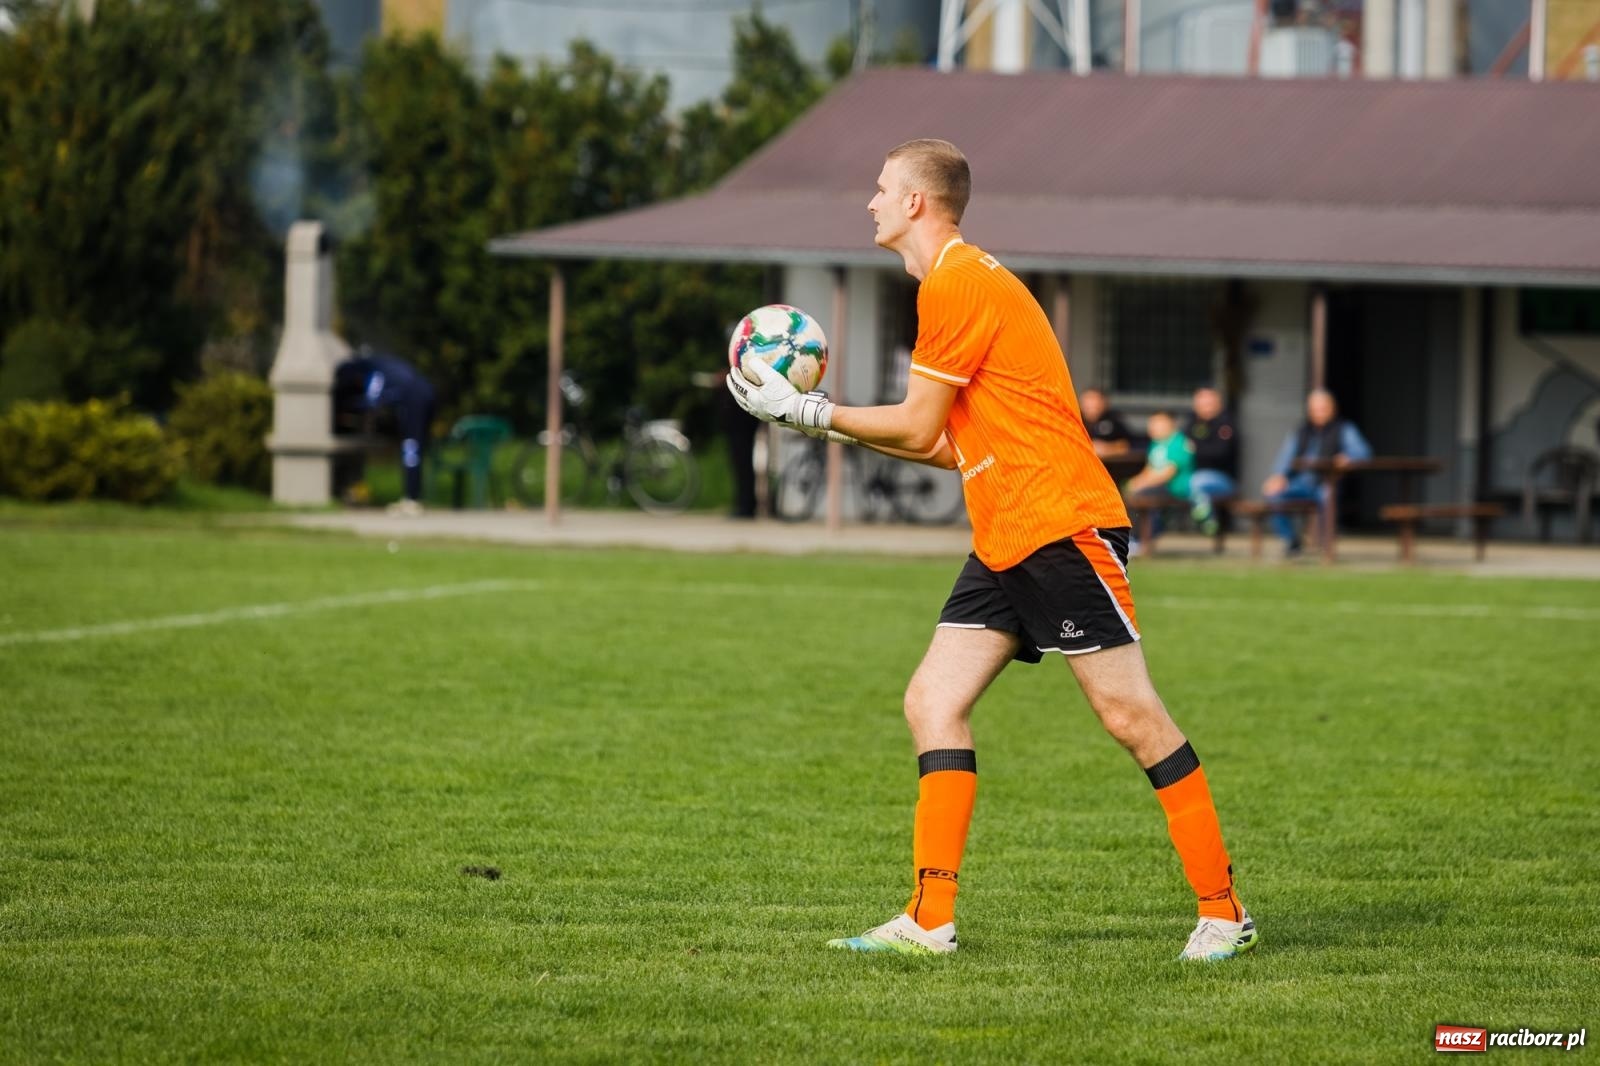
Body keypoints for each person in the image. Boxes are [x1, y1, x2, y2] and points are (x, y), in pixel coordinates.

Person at [728, 139, 1255, 962]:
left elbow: (912, 425)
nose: (868, 202)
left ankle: (1225, 911)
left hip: (1062, 525)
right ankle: (930, 918)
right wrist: (813, 417)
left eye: (879, 189)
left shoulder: (959, 283)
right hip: (1008, 530)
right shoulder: (953, 284)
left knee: (1129, 715)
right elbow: (939, 443)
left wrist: (811, 414)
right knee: (932, 701)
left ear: (915, 204)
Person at [1261, 389, 1372, 556]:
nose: (1319, 413)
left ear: (1332, 408)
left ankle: (1325, 544)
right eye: (1315, 409)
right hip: (1301, 482)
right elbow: (1286, 456)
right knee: (1273, 493)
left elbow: (1363, 452)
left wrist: (1348, 457)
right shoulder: (1301, 431)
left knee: (1326, 495)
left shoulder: (1343, 428)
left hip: (1327, 481)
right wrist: (1279, 476)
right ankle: (1291, 541)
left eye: (1323, 408)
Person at [335, 348, 436, 516]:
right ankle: (413, 497)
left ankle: (412, 500)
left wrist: (351, 407)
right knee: (414, 449)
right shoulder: (384, 363)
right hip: (424, 392)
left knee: (411, 449)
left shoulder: (373, 370)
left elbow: (372, 400)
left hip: (414, 399)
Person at [1123, 411, 1196, 553]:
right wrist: (1134, 482)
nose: (1153, 428)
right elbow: (1149, 469)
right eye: (1152, 424)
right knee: (1128, 492)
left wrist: (1142, 484)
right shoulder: (1155, 444)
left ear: (1171, 424)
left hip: (1174, 488)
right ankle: (1131, 538)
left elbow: (1168, 473)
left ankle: (1141, 539)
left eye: (1158, 424)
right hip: (1156, 486)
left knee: (1142, 496)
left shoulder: (1179, 443)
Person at [1182, 386, 1240, 536]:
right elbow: (1181, 447)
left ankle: (1208, 518)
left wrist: (1196, 449)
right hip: (1192, 479)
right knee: (1184, 482)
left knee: (1197, 481)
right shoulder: (1191, 423)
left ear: (1218, 404)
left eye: (1209, 403)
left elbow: (1220, 453)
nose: (1206, 408)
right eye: (1202, 404)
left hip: (1224, 480)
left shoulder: (1226, 424)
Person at [1077, 387, 1136, 459]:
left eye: (1095, 403)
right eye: (1088, 404)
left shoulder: (1113, 420)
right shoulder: (1074, 421)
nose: (1092, 406)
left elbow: (1127, 445)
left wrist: (1107, 448)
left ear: (1104, 403)